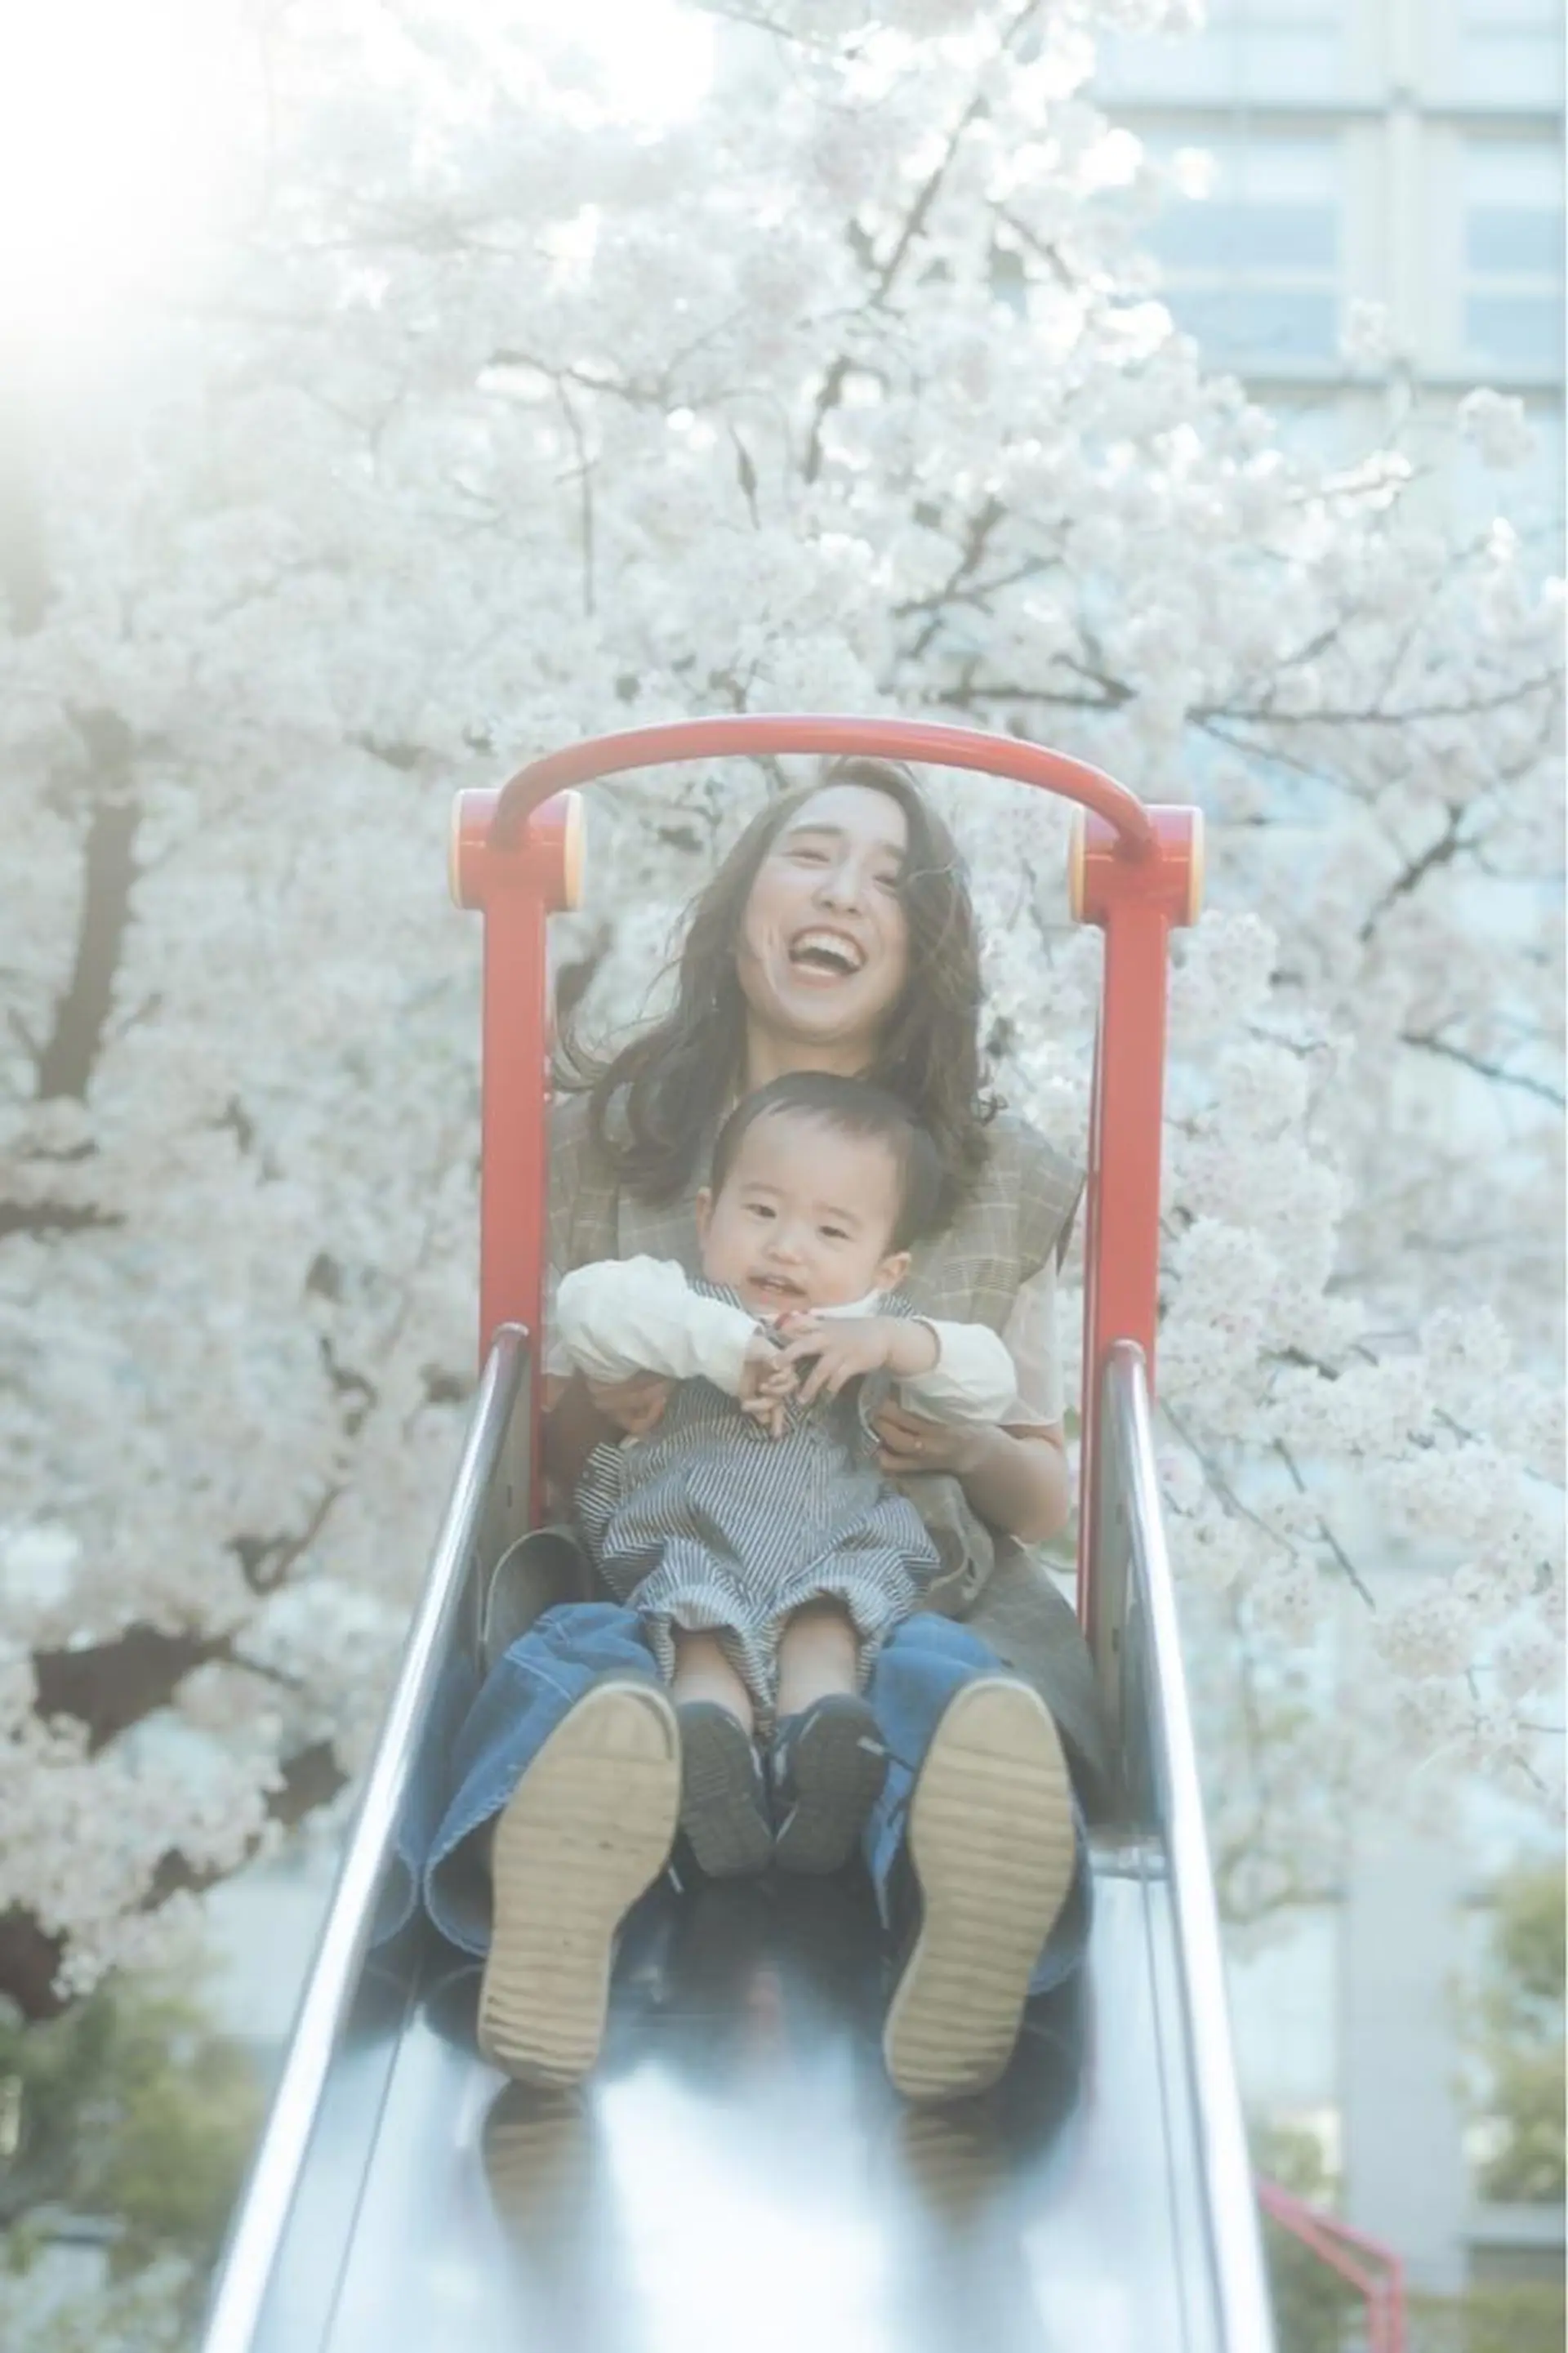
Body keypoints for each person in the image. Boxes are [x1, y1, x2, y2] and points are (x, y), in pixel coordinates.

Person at [419, 755, 1107, 2106]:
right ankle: (555, 1878)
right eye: (811, 854)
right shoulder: (597, 1147)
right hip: (653, 1579)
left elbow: (1040, 1498)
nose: (845, 890)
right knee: (576, 1664)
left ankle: (962, 1885)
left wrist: (956, 1443)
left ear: (924, 949)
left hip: (893, 1591)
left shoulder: (992, 1178)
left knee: (949, 1685)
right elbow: (540, 1476)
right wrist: (595, 1402)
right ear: (744, 900)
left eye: (890, 877)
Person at [555, 1071, 1022, 1883]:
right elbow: (586, 1304)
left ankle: (821, 1764)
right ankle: (713, 1765)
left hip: (834, 1545)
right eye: (761, 1212)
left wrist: (894, 1344)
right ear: (707, 1218)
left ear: (887, 1268)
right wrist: (723, 1347)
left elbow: (991, 1381)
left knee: (827, 1634)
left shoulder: (871, 1330)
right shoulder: (680, 1306)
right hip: (693, 1536)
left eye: (832, 1232)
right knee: (700, 1640)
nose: (786, 1247)